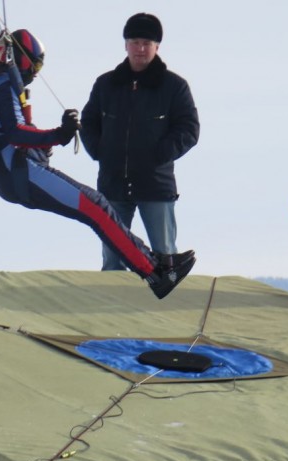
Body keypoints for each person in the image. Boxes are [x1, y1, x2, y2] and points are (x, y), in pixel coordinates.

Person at [0, 29, 195, 299]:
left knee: (97, 207)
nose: (36, 72)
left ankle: (155, 268)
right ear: (21, 59)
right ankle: (156, 274)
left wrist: (47, 143)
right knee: (97, 207)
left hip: (18, 172)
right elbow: (14, 133)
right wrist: (59, 134)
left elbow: (12, 135)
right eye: (36, 64)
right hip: (19, 174)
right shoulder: (1, 86)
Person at [80, 13, 199, 271]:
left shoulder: (174, 86)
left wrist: (160, 153)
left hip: (156, 186)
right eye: (135, 41)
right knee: (112, 260)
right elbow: (87, 122)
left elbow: (189, 129)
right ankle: (109, 310)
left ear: (157, 46)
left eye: (147, 42)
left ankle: (165, 308)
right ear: (125, 44)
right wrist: (100, 151)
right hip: (112, 187)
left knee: (165, 258)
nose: (140, 48)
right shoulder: (106, 84)